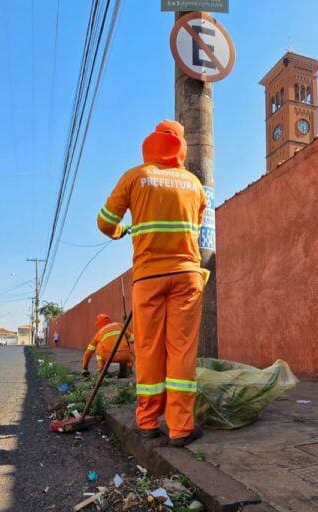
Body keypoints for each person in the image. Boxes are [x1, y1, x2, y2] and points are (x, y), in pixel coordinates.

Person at [97, 120, 207, 447]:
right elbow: (196, 226)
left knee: (147, 349)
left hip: (148, 277)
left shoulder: (136, 176)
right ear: (180, 146)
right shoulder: (194, 184)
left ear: (151, 144)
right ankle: (181, 427)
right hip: (187, 275)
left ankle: (147, 422)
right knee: (181, 351)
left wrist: (122, 231)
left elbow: (105, 222)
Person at [81, 313, 133, 378]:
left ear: (98, 323)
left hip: (108, 356)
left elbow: (88, 352)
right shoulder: (119, 325)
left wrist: (85, 368)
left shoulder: (99, 333)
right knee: (125, 343)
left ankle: (102, 370)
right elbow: (132, 340)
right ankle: (128, 367)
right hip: (125, 355)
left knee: (98, 346)